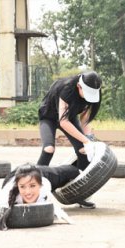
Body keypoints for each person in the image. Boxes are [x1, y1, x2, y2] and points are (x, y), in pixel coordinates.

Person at [37, 71, 102, 209]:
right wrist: (86, 140)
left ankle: (80, 194)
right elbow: (63, 121)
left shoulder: (94, 93)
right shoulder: (67, 89)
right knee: (49, 149)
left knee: (84, 151)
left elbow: (84, 120)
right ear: (79, 86)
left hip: (70, 118)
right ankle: (34, 187)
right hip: (49, 117)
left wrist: (89, 140)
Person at [0, 163, 80, 230]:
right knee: (26, 180)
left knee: (69, 171)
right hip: (15, 176)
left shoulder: (44, 186)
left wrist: (60, 213)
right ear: (18, 186)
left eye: (32, 186)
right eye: (23, 187)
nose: (28, 192)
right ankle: (25, 181)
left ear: (40, 186)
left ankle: (78, 169)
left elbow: (51, 201)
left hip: (42, 173)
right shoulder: (7, 196)